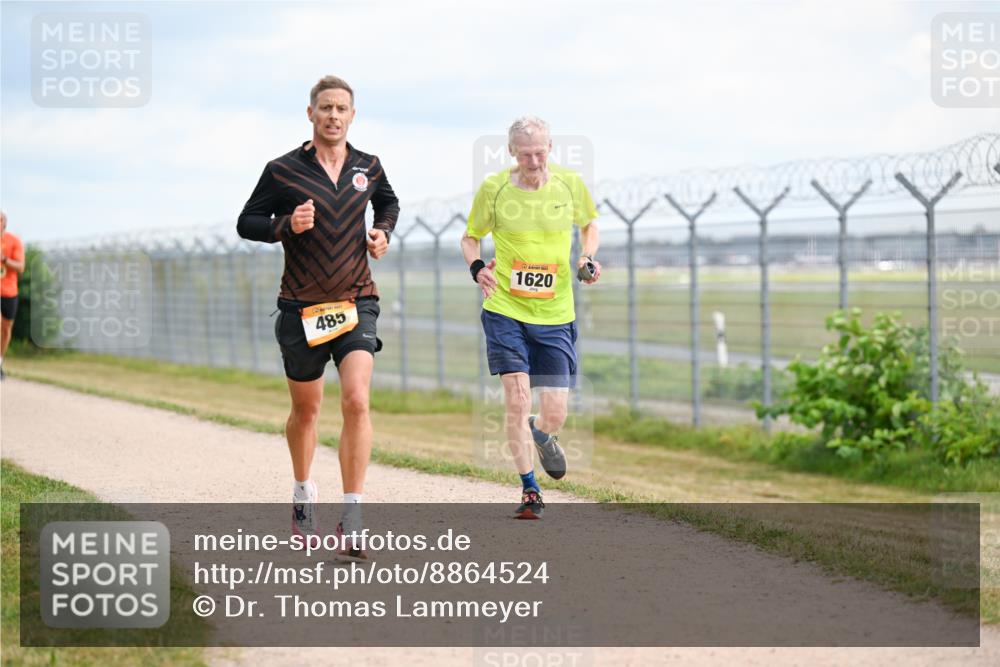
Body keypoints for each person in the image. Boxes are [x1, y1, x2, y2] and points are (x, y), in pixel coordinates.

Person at [237, 76, 399, 555]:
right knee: (306, 411)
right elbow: (247, 222)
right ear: (310, 113)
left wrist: (382, 232)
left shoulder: (368, 166)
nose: (333, 115)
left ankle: (353, 515)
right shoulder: (282, 170)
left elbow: (388, 202)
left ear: (352, 115)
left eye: (341, 108)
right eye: (325, 107)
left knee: (356, 400)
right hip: (301, 306)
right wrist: (286, 224)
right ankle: (303, 492)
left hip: (356, 300)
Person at [461, 116, 601, 519]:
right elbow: (470, 237)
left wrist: (587, 257)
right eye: (526, 155)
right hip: (505, 308)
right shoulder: (495, 189)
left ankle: (542, 432)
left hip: (555, 313)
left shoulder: (569, 185)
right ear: (511, 152)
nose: (534, 162)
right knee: (518, 399)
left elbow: (590, 225)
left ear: (550, 147)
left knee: (555, 412)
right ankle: (530, 489)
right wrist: (477, 268)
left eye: (540, 152)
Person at [1, 211, 25, 380]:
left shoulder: (13, 241)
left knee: (6, 329)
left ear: (4, 222)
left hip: (9, 291)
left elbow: (20, 267)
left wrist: (4, 259)